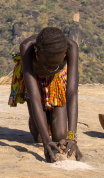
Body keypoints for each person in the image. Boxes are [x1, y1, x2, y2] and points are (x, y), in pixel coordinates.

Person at [8, 26, 82, 162]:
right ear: (38, 53)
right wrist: (46, 142)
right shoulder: (27, 47)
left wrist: (72, 137)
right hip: (35, 80)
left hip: (57, 82)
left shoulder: (71, 47)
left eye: (56, 65)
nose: (52, 69)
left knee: (60, 137)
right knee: (39, 138)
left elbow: (71, 94)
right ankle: (37, 120)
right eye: (48, 65)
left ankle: (51, 116)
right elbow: (34, 96)